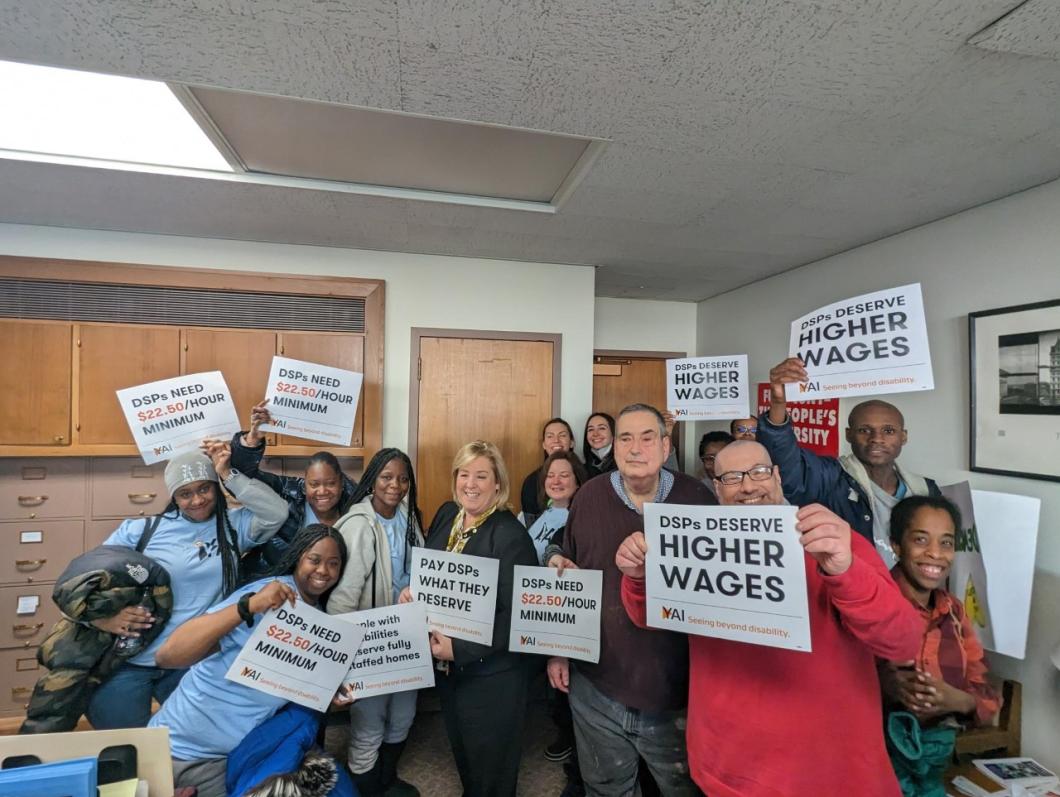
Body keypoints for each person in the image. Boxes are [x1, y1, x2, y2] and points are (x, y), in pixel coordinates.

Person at [616, 440, 922, 797]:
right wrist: (638, 578)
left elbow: (902, 640)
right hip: (725, 766)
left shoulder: (832, 542)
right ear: (717, 489)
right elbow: (651, 617)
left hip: (826, 774)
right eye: (731, 477)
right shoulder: (697, 545)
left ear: (777, 477)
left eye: (759, 472)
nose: (748, 486)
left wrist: (847, 571)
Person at [546, 404, 714, 797]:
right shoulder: (588, 495)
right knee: (604, 788)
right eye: (625, 438)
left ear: (666, 445)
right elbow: (566, 572)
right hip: (596, 684)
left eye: (647, 437)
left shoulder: (698, 499)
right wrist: (557, 650)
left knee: (683, 788)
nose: (635, 448)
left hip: (677, 691)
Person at [86, 443, 289, 730]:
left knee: (191, 747)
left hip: (192, 661)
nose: (196, 500)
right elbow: (89, 579)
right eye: (185, 493)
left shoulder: (233, 526)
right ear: (173, 496)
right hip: (130, 661)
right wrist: (105, 618)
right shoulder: (143, 530)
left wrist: (226, 473)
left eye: (204, 489)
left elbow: (276, 511)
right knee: (126, 750)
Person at [150, 524, 354, 797]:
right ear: (297, 558)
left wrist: (331, 696)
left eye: (333, 563)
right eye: (314, 560)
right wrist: (248, 606)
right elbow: (168, 655)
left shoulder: (320, 620)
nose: (323, 571)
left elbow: (298, 688)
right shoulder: (265, 596)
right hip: (173, 745)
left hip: (231, 760)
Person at [401, 441, 538, 797]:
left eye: (482, 476)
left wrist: (458, 647)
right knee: (466, 759)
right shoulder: (449, 515)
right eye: (464, 474)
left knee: (492, 771)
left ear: (498, 484)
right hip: (451, 672)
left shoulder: (510, 535)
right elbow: (435, 577)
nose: (471, 484)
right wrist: (415, 595)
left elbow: (521, 616)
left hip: (493, 677)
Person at [757, 356, 940, 566]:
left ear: (903, 436)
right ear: (848, 435)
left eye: (888, 431)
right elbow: (788, 471)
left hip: (904, 598)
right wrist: (778, 403)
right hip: (853, 595)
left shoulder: (925, 489)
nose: (877, 438)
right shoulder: (831, 477)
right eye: (864, 430)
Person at [880, 495, 1000, 795]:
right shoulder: (873, 604)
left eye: (946, 543)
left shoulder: (955, 613)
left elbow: (987, 699)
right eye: (921, 540)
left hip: (934, 769)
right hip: (874, 768)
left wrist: (956, 700)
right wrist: (886, 687)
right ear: (896, 545)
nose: (935, 553)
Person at [329, 448, 424, 797]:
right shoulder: (358, 525)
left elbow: (419, 569)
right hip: (367, 643)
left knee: (403, 717)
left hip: (405, 636)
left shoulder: (408, 517)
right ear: (372, 480)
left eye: (402, 478)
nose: (395, 485)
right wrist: (340, 661)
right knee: (369, 725)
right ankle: (366, 789)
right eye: (386, 477)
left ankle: (387, 780)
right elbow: (341, 600)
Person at [231, 398, 358, 575]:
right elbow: (243, 475)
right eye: (314, 484)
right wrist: (253, 437)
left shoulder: (355, 507)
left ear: (342, 484)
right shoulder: (288, 492)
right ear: (304, 487)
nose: (322, 491)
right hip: (272, 582)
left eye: (330, 483)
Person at [524, 450, 589, 789]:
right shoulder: (543, 514)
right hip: (540, 607)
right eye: (551, 475)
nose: (557, 480)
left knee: (568, 685)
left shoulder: (582, 514)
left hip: (568, 613)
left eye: (564, 475)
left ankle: (574, 745)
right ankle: (565, 734)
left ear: (578, 480)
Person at [519, 418, 577, 526]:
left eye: (562, 435)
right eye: (550, 436)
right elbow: (531, 524)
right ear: (544, 445)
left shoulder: (587, 475)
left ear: (572, 443)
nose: (556, 440)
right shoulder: (531, 481)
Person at [697, 430, 734, 495]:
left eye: (724, 457)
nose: (716, 465)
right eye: (709, 459)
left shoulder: (748, 487)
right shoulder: (699, 489)